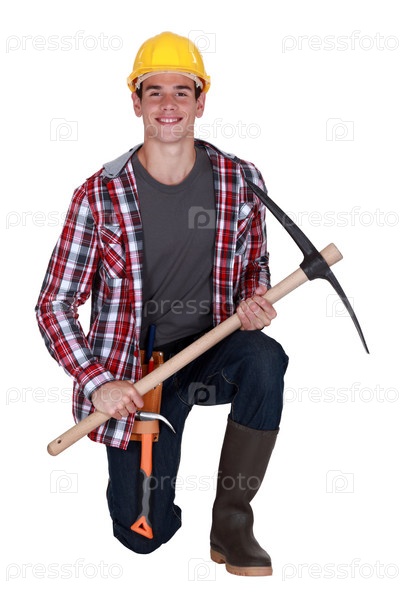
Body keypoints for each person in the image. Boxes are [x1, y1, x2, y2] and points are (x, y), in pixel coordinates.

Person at [35, 31, 289, 576]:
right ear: (136, 102)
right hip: (138, 376)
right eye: (154, 91)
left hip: (213, 349)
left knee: (265, 359)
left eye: (182, 91)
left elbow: (256, 266)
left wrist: (255, 298)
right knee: (142, 535)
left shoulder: (240, 180)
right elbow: (54, 304)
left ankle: (232, 524)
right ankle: (160, 490)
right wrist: (99, 383)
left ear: (201, 101)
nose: (168, 104)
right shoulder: (99, 195)